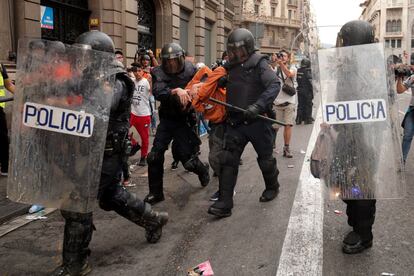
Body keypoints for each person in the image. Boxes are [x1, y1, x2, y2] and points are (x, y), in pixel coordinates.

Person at [52, 31, 168, 276]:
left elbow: (98, 107)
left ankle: (76, 264)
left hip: (107, 154)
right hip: (89, 152)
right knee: (110, 196)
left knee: (77, 203)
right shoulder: (90, 76)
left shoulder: (114, 81)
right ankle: (153, 219)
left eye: (87, 56)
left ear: (99, 58)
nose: (83, 62)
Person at [207, 28, 281, 218]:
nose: (235, 54)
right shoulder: (229, 66)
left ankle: (273, 186)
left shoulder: (260, 64)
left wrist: (258, 105)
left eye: (239, 50)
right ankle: (224, 203)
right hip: (236, 122)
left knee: (265, 159)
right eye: (232, 50)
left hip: (257, 121)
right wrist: (224, 81)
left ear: (248, 48)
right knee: (228, 161)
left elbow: (274, 85)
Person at [144, 42, 210, 205]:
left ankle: (202, 170)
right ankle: (156, 192)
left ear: (181, 59)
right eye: (168, 61)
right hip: (167, 120)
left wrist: (198, 87)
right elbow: (159, 91)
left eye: (175, 61)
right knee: (154, 156)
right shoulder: (158, 72)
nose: (172, 64)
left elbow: (207, 81)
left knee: (187, 160)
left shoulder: (190, 69)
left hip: (184, 120)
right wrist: (176, 90)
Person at [333, 20, 378, 254]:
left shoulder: (376, 68)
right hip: (346, 137)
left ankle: (364, 233)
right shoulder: (346, 66)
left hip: (366, 139)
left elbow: (382, 101)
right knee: (342, 183)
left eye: (346, 40)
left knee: (362, 188)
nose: (342, 44)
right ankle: (354, 223)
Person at [273, 49, 297, 158]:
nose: (282, 57)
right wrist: (274, 63)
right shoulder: (274, 69)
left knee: (288, 125)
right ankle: (271, 144)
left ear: (288, 58)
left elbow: (289, 74)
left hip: (289, 102)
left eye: (284, 56)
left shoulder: (293, 68)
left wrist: (281, 64)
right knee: (275, 126)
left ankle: (286, 148)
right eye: (280, 56)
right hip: (277, 102)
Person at [130, 65, 152, 166]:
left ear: (142, 71)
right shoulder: (132, 80)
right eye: (135, 71)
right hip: (132, 113)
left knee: (145, 138)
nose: (137, 73)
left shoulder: (146, 81)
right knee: (123, 130)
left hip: (144, 115)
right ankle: (134, 145)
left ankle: (144, 157)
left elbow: (152, 91)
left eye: (139, 71)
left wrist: (151, 81)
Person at [0, 63, 16, 176]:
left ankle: (5, 168)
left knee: (3, 138)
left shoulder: (0, 66)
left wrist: (21, 94)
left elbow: (8, 85)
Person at [396, 71, 414, 164]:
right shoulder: (412, 77)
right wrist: (399, 78)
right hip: (412, 111)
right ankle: (402, 161)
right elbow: (400, 90)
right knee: (407, 136)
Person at [296, 58, 314, 125]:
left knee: (300, 105)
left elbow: (298, 80)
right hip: (307, 90)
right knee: (308, 105)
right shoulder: (308, 71)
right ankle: (308, 119)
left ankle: (298, 119)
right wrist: (313, 90)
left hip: (300, 89)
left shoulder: (299, 70)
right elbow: (310, 82)